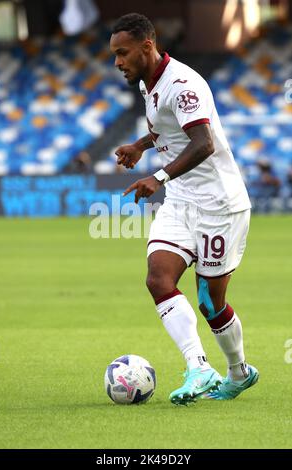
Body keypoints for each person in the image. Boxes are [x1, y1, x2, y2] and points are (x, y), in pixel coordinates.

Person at [110, 13, 259, 405]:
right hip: (181, 199)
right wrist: (140, 146)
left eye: (122, 53)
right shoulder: (149, 83)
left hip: (218, 205)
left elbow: (203, 143)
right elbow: (166, 127)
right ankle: (198, 367)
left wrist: (156, 177)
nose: (117, 63)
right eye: (114, 55)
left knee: (211, 304)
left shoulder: (184, 83)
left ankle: (239, 372)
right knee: (158, 279)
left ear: (146, 46)